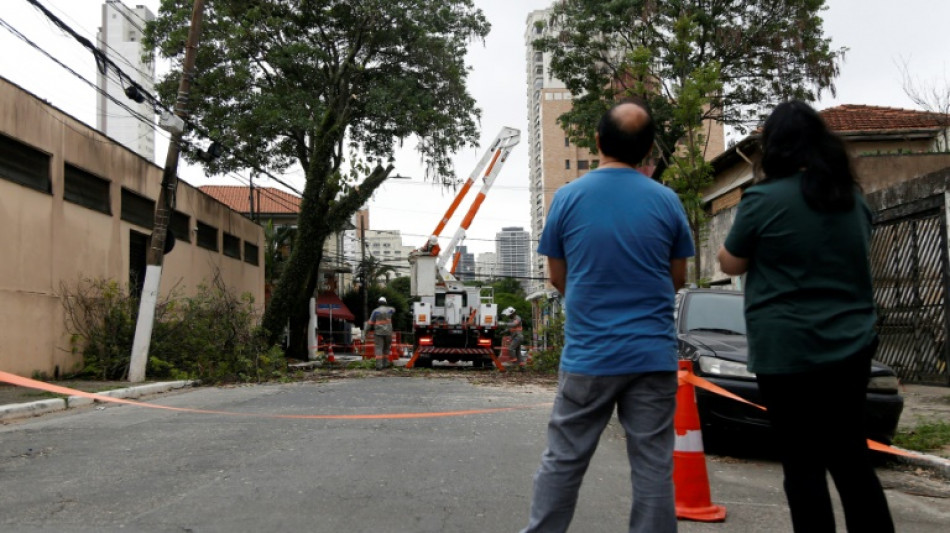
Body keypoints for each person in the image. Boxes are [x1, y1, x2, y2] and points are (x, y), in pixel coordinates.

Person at [717, 100, 894, 533]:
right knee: (851, 459)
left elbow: (730, 263)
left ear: (774, 148)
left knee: (802, 465)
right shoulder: (850, 200)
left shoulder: (763, 199)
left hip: (786, 352)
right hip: (850, 348)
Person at [523, 99, 694, 533]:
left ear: (597, 140)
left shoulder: (567, 198)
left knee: (564, 459)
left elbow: (558, 277)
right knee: (654, 464)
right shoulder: (667, 201)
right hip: (651, 355)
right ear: (649, 149)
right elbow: (676, 277)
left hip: (589, 355)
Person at [367, 296, 395, 370]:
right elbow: (393, 309)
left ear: (378, 303)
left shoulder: (375, 311)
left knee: (379, 348)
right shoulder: (390, 310)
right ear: (385, 303)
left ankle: (379, 366)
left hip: (379, 333)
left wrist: (366, 331)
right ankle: (386, 364)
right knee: (386, 349)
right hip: (388, 332)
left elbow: (370, 322)